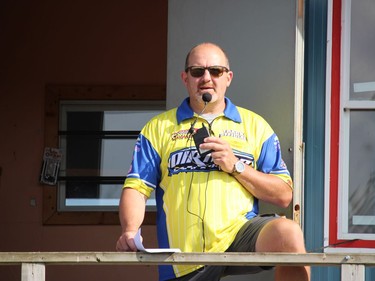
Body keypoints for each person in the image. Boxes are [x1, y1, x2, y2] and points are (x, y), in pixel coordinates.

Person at [116, 42, 310, 281]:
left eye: (215, 71)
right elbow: (137, 187)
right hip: (184, 252)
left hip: (239, 233)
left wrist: (237, 166)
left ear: (228, 77)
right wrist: (130, 231)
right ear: (185, 78)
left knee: (288, 234)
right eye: (198, 71)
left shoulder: (255, 126)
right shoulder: (158, 128)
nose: (206, 78)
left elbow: (283, 195)